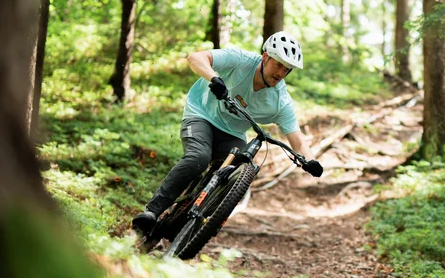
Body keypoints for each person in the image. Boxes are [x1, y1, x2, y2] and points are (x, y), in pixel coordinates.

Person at [132, 31, 323, 236]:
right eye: (278, 64)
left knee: (238, 174)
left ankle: (198, 223)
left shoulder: (280, 101)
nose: (281, 73)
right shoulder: (241, 61)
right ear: (265, 57)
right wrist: (214, 78)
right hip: (201, 114)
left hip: (232, 133)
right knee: (199, 157)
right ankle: (152, 211)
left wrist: (310, 160)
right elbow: (196, 58)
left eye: (287, 70)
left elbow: (298, 140)